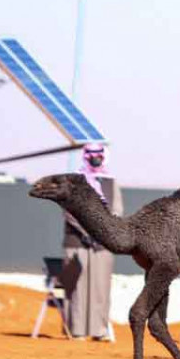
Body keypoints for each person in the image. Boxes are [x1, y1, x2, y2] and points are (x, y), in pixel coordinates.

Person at [60, 143, 122, 340]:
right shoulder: (74, 181)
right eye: (91, 154)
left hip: (102, 244)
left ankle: (99, 331)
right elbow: (69, 211)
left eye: (99, 154)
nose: (95, 158)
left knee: (100, 287)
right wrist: (86, 232)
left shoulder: (111, 182)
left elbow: (117, 211)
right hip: (78, 242)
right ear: (85, 156)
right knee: (78, 287)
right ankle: (76, 330)